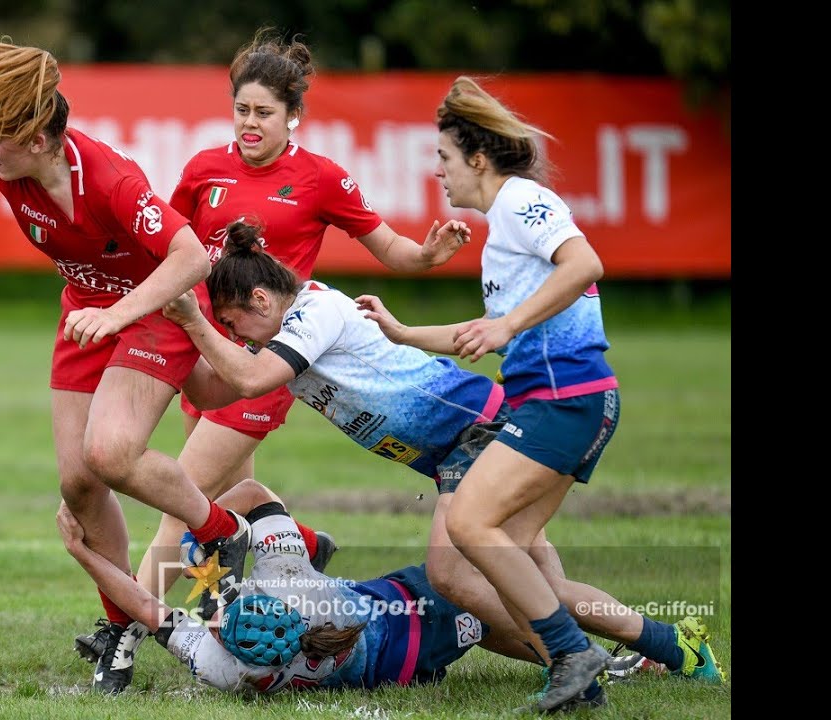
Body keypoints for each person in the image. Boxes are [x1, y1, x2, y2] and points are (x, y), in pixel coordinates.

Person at [0, 13, 253, 694]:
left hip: (154, 312)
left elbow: (189, 259)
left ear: (37, 140)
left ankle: (221, 531)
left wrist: (119, 312)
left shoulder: (111, 180)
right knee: (78, 484)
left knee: (112, 453)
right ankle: (120, 631)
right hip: (86, 316)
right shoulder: (2, 157)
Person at [164, 219, 724, 708]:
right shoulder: (283, 330)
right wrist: (179, 335)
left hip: (478, 432)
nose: (234, 339)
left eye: (234, 326)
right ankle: (668, 645)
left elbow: (250, 379)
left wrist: (196, 323)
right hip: (464, 444)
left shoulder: (314, 311)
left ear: (262, 300)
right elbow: (215, 391)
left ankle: (586, 660)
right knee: (538, 582)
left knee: (452, 574)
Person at [358, 75, 725, 712]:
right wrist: (400, 330)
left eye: (444, 159)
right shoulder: (502, 231)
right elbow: (484, 333)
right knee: (514, 560)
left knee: (471, 522)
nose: (438, 175)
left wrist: (507, 323)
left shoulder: (524, 200)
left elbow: (584, 264)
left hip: (566, 399)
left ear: (477, 158)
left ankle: (573, 658)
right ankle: (673, 644)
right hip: (560, 403)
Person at [130, 26, 471, 632]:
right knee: (223, 504)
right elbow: (170, 248)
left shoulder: (320, 178)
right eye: (242, 110)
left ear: (294, 118)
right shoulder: (204, 168)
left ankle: (122, 627)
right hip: (202, 357)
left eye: (265, 112)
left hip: (265, 368)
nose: (250, 123)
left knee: (178, 505)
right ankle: (297, 547)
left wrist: (427, 255)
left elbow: (388, 246)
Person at [60, 477, 514, 696]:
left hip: (409, 662)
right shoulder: (289, 583)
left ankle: (565, 647)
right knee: (507, 584)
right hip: (410, 603)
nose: (214, 618)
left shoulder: (229, 671)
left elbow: (146, 608)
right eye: (220, 618)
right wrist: (204, 530)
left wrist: (83, 553)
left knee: (506, 609)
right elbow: (256, 492)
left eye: (217, 619)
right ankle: (460, 475)